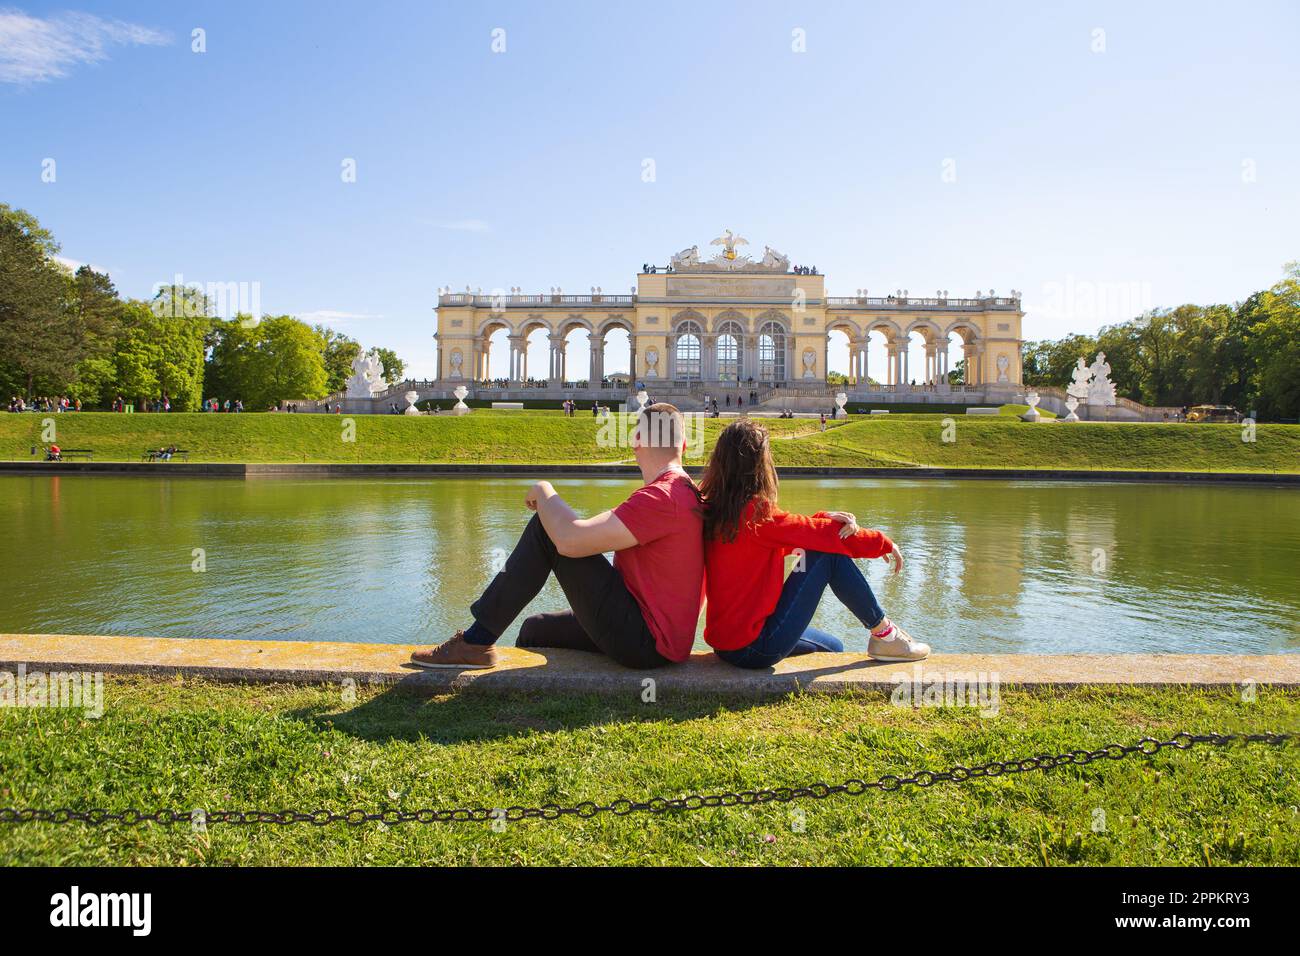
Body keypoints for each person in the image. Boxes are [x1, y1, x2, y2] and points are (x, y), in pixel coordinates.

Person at [411, 404, 704, 670]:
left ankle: (476, 641)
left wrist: (543, 490)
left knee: (547, 529)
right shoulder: (685, 490)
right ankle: (520, 686)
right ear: (684, 445)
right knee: (534, 629)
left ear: (636, 441)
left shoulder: (662, 497)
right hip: (653, 636)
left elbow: (570, 541)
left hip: (646, 643)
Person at [698, 419, 928, 669]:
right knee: (828, 556)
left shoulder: (714, 509)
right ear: (760, 466)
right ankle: (886, 635)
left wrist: (824, 518)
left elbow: (792, 536)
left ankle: (882, 638)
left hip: (726, 645)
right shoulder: (757, 514)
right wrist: (882, 542)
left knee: (834, 647)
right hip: (754, 647)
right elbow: (814, 537)